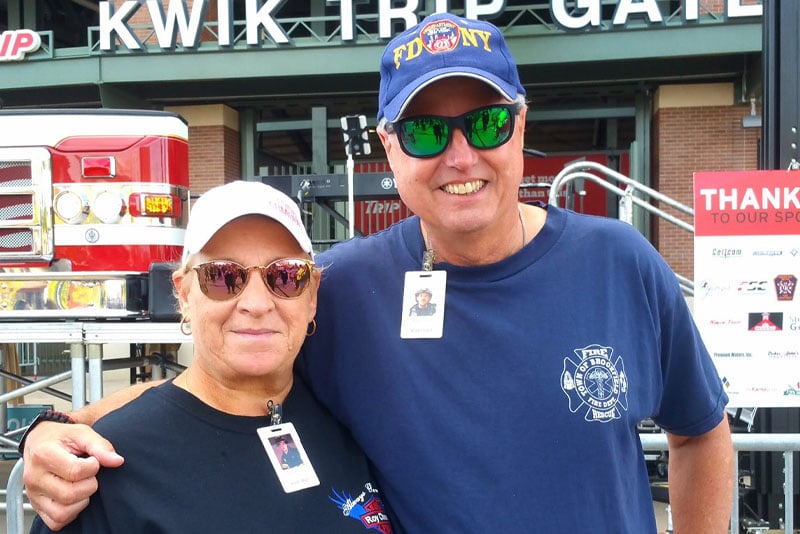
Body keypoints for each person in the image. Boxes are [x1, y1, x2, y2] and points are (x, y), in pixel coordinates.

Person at [21, 12, 732, 533]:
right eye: (425, 132)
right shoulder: (338, 288)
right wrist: (49, 432)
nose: (460, 157)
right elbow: (212, 385)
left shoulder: (622, 264)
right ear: (389, 149)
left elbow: (701, 432)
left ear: (520, 126)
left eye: (484, 124)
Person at [27, 181, 393, 533]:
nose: (256, 303)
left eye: (285, 276)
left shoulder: (348, 412)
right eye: (222, 276)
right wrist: (47, 426)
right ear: (184, 295)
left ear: (311, 295)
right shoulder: (109, 467)